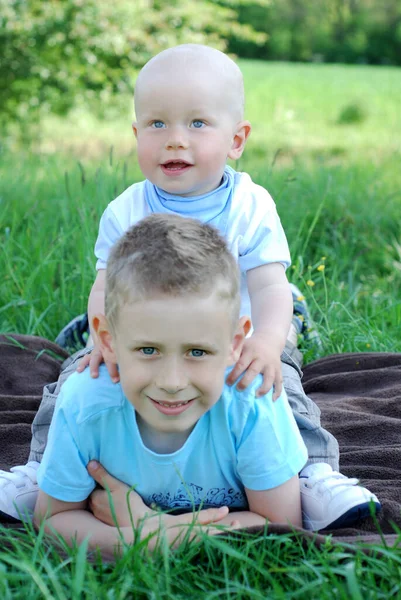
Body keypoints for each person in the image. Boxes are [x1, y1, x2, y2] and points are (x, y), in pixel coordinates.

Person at [0, 44, 380, 531]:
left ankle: (312, 470)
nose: (174, 141)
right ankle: (41, 466)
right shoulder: (126, 208)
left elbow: (269, 287)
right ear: (136, 134)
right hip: (139, 330)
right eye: (157, 125)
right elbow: (103, 287)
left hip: (231, 333)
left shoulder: (249, 205)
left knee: (275, 385)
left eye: (197, 124)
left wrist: (265, 343)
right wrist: (102, 340)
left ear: (237, 139)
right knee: (77, 382)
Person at [34, 214, 308, 557]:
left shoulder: (251, 403)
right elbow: (52, 520)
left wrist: (149, 527)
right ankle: (81, 328)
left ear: (235, 343)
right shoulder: (86, 405)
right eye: (148, 350)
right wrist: (145, 540)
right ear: (108, 341)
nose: (172, 382)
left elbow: (282, 528)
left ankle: (296, 310)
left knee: (297, 400)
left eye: (197, 351)